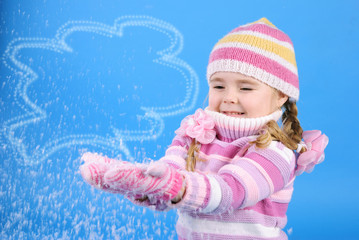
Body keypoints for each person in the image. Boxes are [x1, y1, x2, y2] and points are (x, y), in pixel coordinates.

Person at [80, 17, 328, 239]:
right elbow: (171, 170)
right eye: (219, 86)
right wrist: (144, 185)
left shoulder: (277, 151)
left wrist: (178, 187)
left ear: (281, 95)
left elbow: (232, 191)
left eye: (245, 88)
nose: (229, 97)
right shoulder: (196, 132)